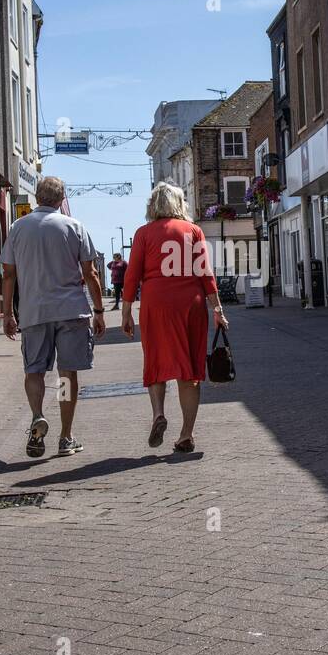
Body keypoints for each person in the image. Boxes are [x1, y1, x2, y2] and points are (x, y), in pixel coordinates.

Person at [0, 177, 107, 458]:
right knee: (66, 374)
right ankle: (65, 436)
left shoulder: (17, 228)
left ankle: (37, 416)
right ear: (61, 200)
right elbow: (90, 273)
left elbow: (9, 274)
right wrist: (98, 310)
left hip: (33, 311)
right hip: (71, 311)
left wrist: (7, 313)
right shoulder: (74, 227)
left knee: (33, 370)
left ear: (37, 197)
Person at [120, 182, 228, 453]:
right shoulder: (193, 231)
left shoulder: (143, 234)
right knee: (189, 370)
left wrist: (125, 313)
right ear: (181, 205)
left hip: (155, 303)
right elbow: (205, 274)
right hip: (189, 303)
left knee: (156, 361)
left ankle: (158, 413)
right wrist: (217, 309)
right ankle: (186, 435)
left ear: (152, 206)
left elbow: (131, 276)